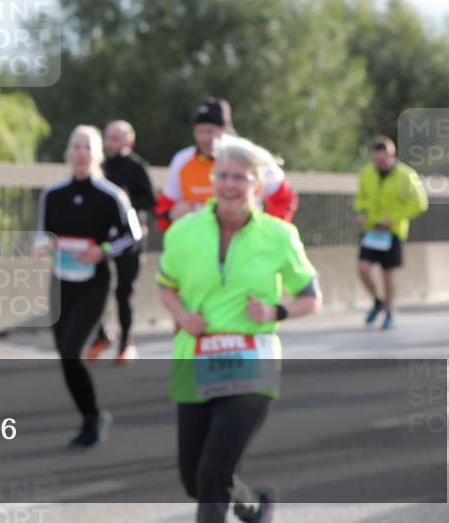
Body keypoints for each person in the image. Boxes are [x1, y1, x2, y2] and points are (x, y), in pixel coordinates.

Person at [157, 135, 322, 523]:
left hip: (252, 365)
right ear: (213, 180)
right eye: (224, 175)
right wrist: (181, 315)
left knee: (213, 474)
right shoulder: (183, 232)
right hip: (194, 360)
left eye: (242, 177)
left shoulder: (279, 236)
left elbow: (312, 297)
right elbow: (166, 287)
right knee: (195, 480)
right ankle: (253, 506)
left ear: (258, 186)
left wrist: (274, 310)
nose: (231, 185)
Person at [36, 125, 141, 448]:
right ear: (69, 153)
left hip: (93, 284)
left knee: (71, 352)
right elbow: (43, 232)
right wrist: (43, 245)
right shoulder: (52, 193)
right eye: (76, 146)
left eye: (88, 147)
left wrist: (103, 250)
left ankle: (93, 417)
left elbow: (134, 235)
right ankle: (89, 415)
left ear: (97, 155)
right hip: (60, 282)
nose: (81, 153)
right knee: (65, 356)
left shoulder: (111, 195)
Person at [154, 98, 298, 232]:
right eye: (199, 131)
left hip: (245, 250)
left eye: (210, 131)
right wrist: (170, 214)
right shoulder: (182, 160)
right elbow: (162, 210)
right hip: (198, 250)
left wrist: (267, 233)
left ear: (225, 129)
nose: (204, 138)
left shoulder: (249, 155)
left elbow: (285, 199)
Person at [84, 119, 154, 364]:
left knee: (124, 292)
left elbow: (149, 202)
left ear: (128, 142)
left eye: (115, 138)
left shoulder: (136, 167)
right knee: (96, 288)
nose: (109, 142)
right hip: (103, 238)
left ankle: (126, 344)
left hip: (130, 237)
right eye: (108, 137)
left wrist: (125, 200)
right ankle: (102, 336)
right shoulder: (98, 165)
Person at [356, 136, 428, 330]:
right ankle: (377, 301)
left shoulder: (406, 175)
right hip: (371, 230)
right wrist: (361, 212)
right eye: (376, 160)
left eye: (382, 160)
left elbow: (420, 203)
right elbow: (361, 198)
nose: (379, 164)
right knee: (363, 268)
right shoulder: (367, 173)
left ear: (391, 156)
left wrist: (394, 218)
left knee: (387, 274)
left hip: (392, 232)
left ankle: (388, 311)